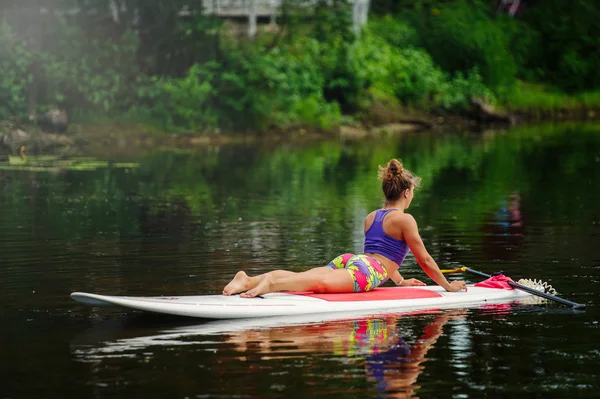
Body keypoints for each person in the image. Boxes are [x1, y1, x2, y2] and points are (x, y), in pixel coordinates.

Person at [222, 158, 467, 298]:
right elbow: (423, 258)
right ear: (406, 192)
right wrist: (447, 285)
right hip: (368, 270)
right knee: (317, 284)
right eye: (412, 192)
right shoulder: (406, 220)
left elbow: (382, 254)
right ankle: (271, 285)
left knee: (307, 276)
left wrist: (401, 281)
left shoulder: (372, 217)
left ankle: (248, 280)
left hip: (353, 260)